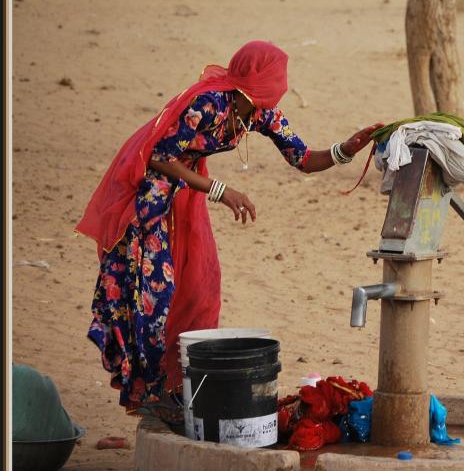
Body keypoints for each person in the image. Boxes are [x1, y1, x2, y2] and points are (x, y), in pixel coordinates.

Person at [75, 40, 383, 421]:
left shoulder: (259, 113)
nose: (277, 92)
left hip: (185, 194)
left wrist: (346, 149)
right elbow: (159, 156)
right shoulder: (207, 104)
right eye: (273, 83)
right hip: (149, 197)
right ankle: (151, 392)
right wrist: (220, 191)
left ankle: (176, 386)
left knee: (201, 285)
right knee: (154, 292)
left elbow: (302, 159)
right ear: (255, 83)